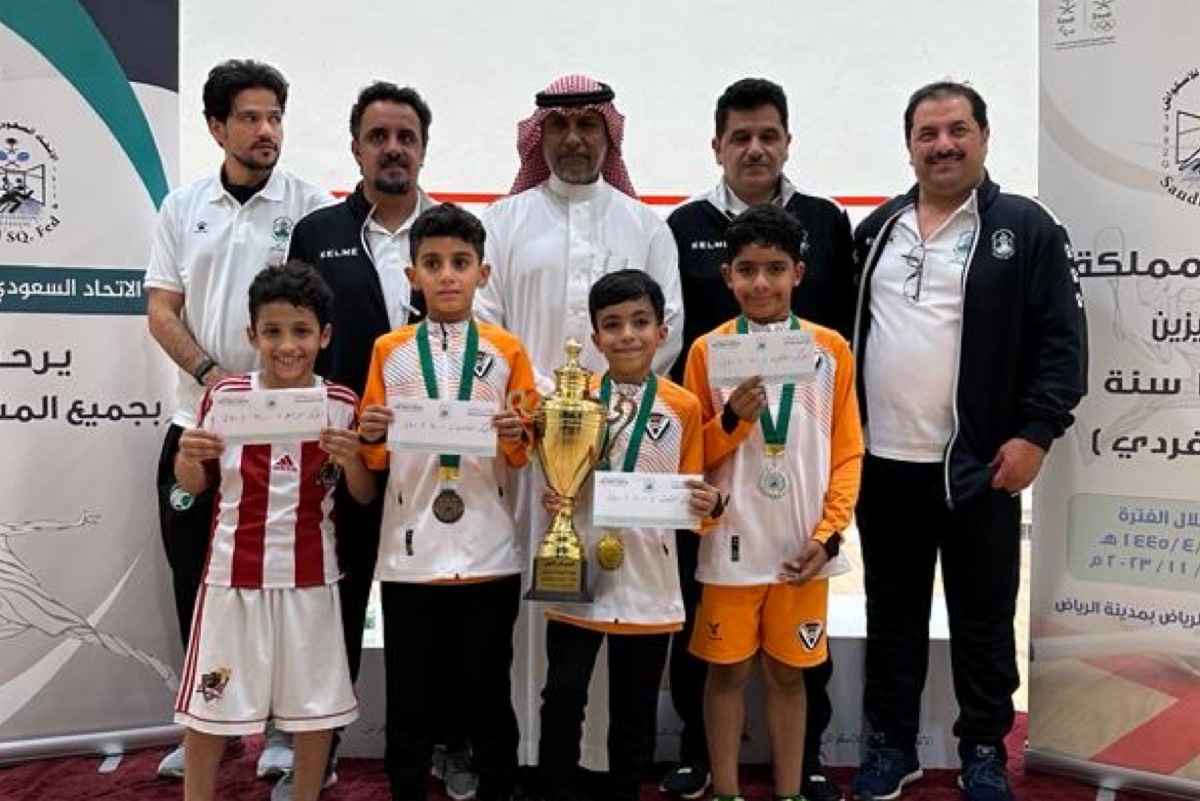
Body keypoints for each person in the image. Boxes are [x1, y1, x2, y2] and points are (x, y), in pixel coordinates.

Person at [848, 81, 1087, 801]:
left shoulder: (1026, 226)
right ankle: (891, 744)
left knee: (983, 620)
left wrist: (1035, 434)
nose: (943, 145)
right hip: (884, 465)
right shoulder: (878, 230)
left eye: (957, 129)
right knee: (892, 616)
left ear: (984, 136)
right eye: (927, 133)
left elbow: (1063, 342)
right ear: (909, 146)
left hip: (981, 467)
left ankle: (983, 747)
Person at [663, 77, 855, 801]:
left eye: (776, 270)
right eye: (747, 271)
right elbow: (695, 452)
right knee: (724, 671)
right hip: (730, 544)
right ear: (728, 275)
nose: (762, 283)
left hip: (803, 542)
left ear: (799, 272)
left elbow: (847, 450)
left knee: (789, 672)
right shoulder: (708, 351)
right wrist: (734, 421)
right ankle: (723, 787)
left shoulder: (830, 350)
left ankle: (793, 785)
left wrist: (830, 534)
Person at [284, 82, 473, 798]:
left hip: (442, 464)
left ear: (423, 148)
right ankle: (318, 746)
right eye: (378, 136)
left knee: (444, 613)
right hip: (346, 458)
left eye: (406, 137)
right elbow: (297, 338)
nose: (393, 149)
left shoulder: (455, 232)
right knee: (333, 603)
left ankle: (451, 742)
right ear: (356, 146)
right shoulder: (317, 232)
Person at [144, 58, 330, 782]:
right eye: (249, 118)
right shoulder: (181, 206)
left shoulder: (311, 207)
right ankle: (211, 725)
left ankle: (284, 729)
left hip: (288, 432)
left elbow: (319, 314)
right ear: (216, 126)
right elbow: (162, 310)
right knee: (195, 576)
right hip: (197, 424)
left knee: (287, 583)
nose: (265, 131)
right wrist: (212, 378)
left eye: (274, 117)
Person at [171, 261, 375, 801]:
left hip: (311, 579)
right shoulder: (225, 397)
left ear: (324, 336)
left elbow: (362, 495)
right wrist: (186, 456)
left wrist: (353, 460)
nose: (287, 346)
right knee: (210, 710)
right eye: (273, 331)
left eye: (301, 331)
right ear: (252, 335)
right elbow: (194, 484)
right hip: (231, 579)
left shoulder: (341, 404)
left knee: (314, 710)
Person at [357, 203, 536, 801]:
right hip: (411, 552)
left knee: (489, 694)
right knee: (410, 697)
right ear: (413, 276)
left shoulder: (508, 350)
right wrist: (371, 432)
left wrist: (516, 433)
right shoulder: (389, 350)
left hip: (488, 550)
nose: (447, 275)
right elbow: (374, 453)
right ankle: (406, 790)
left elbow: (525, 450)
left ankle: (499, 790)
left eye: (461, 262)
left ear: (483, 273)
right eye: (432, 264)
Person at [536, 269, 720, 801]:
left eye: (640, 322)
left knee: (634, 707)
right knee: (563, 693)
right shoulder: (573, 401)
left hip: (648, 574)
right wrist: (556, 496)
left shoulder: (683, 407)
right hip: (578, 563)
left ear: (662, 331)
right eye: (613, 325)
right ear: (596, 338)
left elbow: (692, 493)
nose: (627, 335)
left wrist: (706, 505)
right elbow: (552, 471)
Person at [476, 73, 683, 384]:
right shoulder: (499, 222)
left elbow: (669, 325)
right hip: (518, 406)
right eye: (559, 126)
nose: (572, 139)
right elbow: (483, 323)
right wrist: (537, 394)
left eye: (586, 125)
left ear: (608, 136)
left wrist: (609, 398)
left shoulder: (648, 228)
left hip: (623, 409)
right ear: (541, 136)